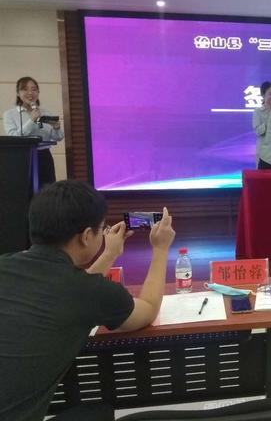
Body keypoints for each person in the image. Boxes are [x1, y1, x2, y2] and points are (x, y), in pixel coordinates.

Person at [0, 180, 176, 421]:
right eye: (101, 228)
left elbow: (69, 289)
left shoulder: (6, 264)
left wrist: (109, 253)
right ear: (86, 236)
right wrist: (161, 249)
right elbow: (148, 310)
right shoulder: (89, 292)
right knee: (100, 413)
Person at [2, 76, 65, 187]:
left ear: (38, 92)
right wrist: (32, 120)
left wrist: (56, 127)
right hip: (22, 157)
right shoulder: (10, 114)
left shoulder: (46, 112)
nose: (30, 93)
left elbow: (58, 137)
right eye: (25, 89)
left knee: (47, 190)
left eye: (34, 89)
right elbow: (14, 137)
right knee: (25, 191)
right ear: (18, 93)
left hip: (44, 157)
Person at [251, 81, 271, 167]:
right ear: (263, 95)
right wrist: (270, 120)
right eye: (270, 94)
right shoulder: (258, 111)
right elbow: (258, 131)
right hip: (263, 151)